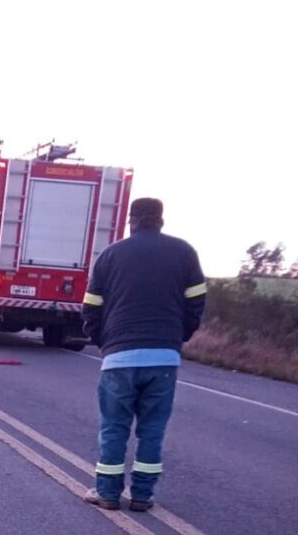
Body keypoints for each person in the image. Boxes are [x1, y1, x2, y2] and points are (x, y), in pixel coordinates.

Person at [82, 198, 206, 512]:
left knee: (114, 428)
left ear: (131, 221)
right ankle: (142, 496)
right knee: (152, 430)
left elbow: (91, 306)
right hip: (163, 357)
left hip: (119, 356)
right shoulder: (184, 253)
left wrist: (101, 340)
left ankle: (107, 493)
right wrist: (179, 337)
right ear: (161, 220)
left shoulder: (111, 254)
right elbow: (196, 304)